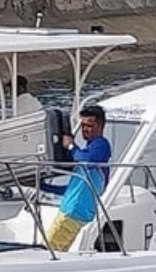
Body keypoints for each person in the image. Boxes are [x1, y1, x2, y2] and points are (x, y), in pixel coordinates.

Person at [46, 104, 111, 252]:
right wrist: (42, 186)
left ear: (100, 126)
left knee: (49, 250)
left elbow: (87, 161)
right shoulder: (86, 154)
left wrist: (70, 146)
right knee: (56, 251)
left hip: (74, 213)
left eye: (90, 125)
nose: (85, 130)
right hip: (70, 211)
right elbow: (71, 189)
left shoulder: (101, 145)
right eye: (83, 126)